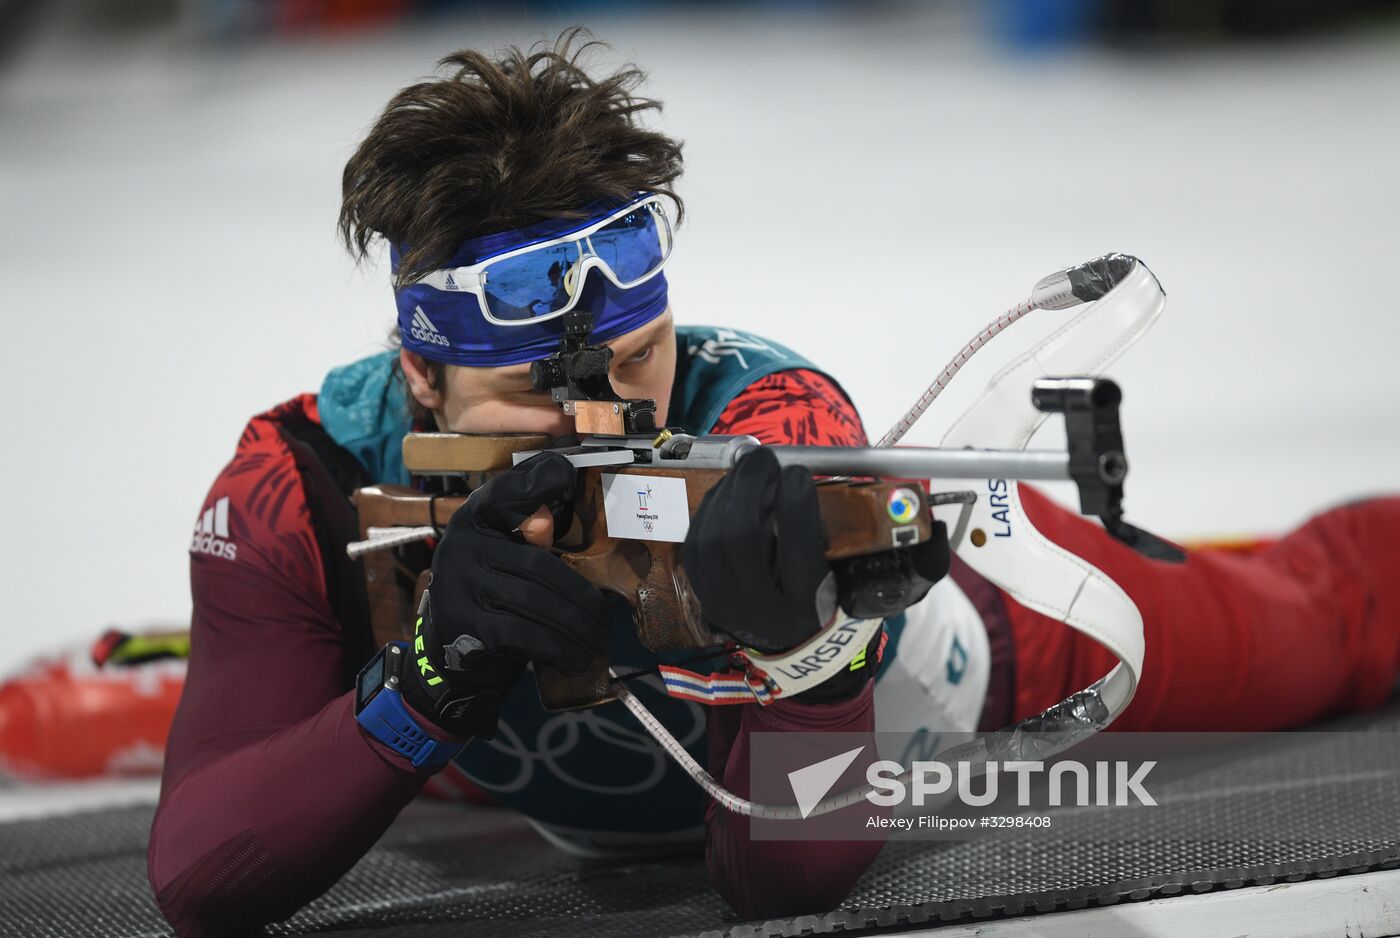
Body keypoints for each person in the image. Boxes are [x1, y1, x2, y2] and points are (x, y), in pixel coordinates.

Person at [147, 29, 1400, 938]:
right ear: (421, 373)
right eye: (539, 391)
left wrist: (811, 658)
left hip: (995, 663)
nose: (601, 420)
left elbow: (779, 889)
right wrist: (437, 666)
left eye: (637, 362)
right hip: (517, 768)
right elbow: (201, 874)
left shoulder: (777, 422)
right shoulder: (298, 487)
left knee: (1328, 618)